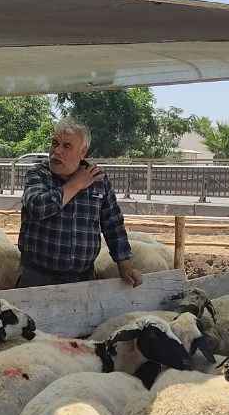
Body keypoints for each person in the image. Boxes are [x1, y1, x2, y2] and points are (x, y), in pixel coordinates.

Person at [17, 119, 143, 289]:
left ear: (83, 152)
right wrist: (76, 184)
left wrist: (124, 263)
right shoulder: (38, 174)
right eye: (55, 143)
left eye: (66, 146)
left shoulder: (98, 180)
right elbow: (38, 207)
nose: (56, 151)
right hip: (37, 277)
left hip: (82, 278)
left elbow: (113, 223)